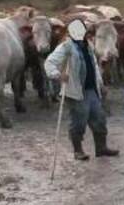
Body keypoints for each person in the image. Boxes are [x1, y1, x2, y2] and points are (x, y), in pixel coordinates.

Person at [45, 19, 118, 161]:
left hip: (92, 90)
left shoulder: (89, 46)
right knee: (79, 121)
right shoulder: (66, 47)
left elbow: (94, 66)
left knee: (99, 118)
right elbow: (49, 62)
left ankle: (101, 148)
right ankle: (78, 151)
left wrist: (100, 83)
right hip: (76, 92)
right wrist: (58, 75)